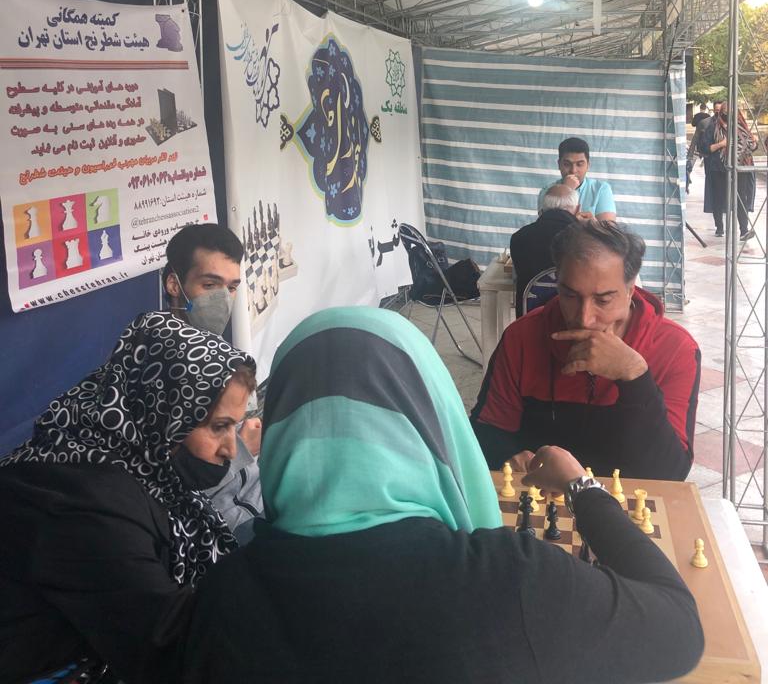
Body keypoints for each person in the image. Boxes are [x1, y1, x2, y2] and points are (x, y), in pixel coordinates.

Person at [181, 307, 704, 684]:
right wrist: (582, 489)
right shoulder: (510, 580)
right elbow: (679, 629)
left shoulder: (222, 596)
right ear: (433, 414)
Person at [0, 312, 257, 684]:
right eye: (219, 427)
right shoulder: (87, 508)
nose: (231, 450)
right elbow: (171, 651)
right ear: (163, 412)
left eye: (235, 426)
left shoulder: (125, 456)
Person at [471, 221, 700, 480]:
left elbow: (671, 473)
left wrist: (635, 376)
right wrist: (508, 456)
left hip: (627, 499)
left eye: (603, 300)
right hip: (541, 495)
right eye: (570, 296)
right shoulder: (522, 336)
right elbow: (485, 434)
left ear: (630, 291)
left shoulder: (675, 349)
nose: (584, 318)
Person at [163, 222, 264, 526]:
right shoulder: (158, 367)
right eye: (210, 285)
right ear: (174, 285)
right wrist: (243, 449)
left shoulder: (219, 354)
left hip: (258, 499)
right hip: (229, 526)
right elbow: (175, 486)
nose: (223, 300)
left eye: (231, 288)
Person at [508, 183, 579, 317]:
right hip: (575, 320)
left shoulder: (519, 237)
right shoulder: (588, 240)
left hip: (529, 320)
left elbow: (517, 277)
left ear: (542, 209)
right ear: (577, 209)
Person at [700, 102, 758, 240]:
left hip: (739, 167)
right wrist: (721, 144)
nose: (728, 114)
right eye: (725, 111)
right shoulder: (713, 127)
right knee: (719, 198)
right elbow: (704, 148)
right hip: (719, 167)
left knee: (741, 198)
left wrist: (753, 142)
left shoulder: (741, 127)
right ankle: (720, 227)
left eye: (731, 111)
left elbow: (750, 146)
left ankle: (744, 231)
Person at [538, 136, 616, 221]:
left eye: (579, 164)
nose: (573, 170)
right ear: (559, 164)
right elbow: (546, 225)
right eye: (567, 164)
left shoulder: (601, 189)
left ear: (588, 165)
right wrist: (566, 189)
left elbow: (609, 227)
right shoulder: (546, 191)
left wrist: (593, 224)